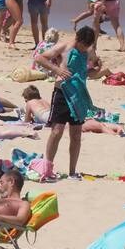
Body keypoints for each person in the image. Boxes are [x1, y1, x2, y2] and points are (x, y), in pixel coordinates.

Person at [34, 26, 96, 180]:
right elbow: (40, 58)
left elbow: (92, 67)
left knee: (76, 134)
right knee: (57, 131)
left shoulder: (88, 50)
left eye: (88, 46)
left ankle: (72, 171)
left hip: (78, 94)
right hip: (61, 92)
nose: (84, 48)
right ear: (78, 39)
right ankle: (47, 168)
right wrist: (57, 70)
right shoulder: (64, 46)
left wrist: (96, 69)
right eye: (83, 44)